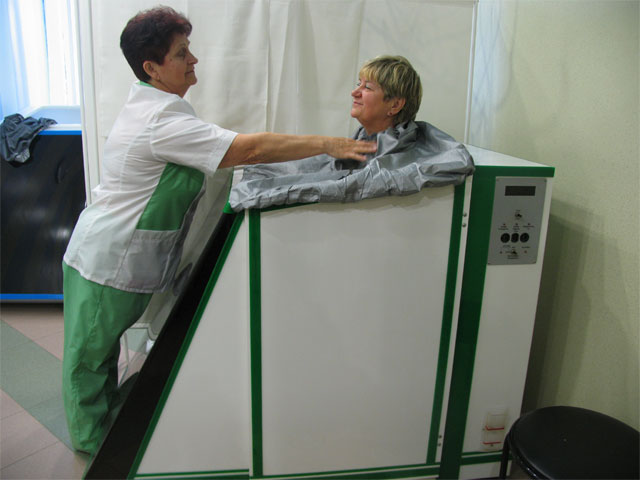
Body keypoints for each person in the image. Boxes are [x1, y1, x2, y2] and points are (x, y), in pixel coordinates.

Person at [61, 6, 375, 455]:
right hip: (106, 259)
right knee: (89, 357)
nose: (193, 59)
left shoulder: (164, 109)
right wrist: (330, 144)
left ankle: (108, 425)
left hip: (123, 257)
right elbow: (249, 150)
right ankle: (95, 447)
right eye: (181, 53)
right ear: (152, 68)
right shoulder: (160, 121)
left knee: (102, 348)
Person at [229, 55, 473, 210]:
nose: (355, 92)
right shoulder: (363, 144)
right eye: (358, 84)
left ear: (395, 105)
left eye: (367, 87)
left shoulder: (404, 158)